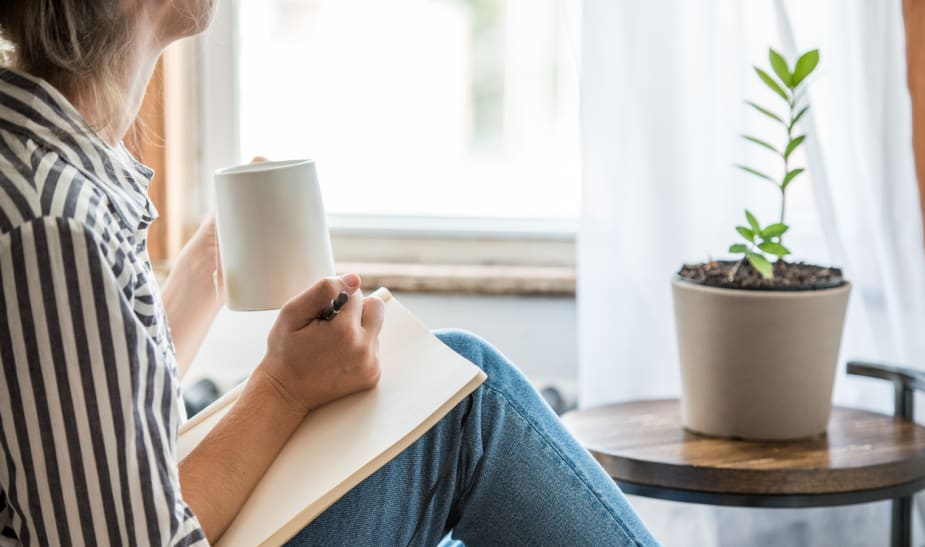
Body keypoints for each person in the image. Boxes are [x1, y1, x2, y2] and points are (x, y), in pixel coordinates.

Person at [0, 1, 659, 545]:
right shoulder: (55, 225)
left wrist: (200, 282)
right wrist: (282, 389)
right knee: (468, 400)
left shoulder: (44, 169)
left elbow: (94, 439)